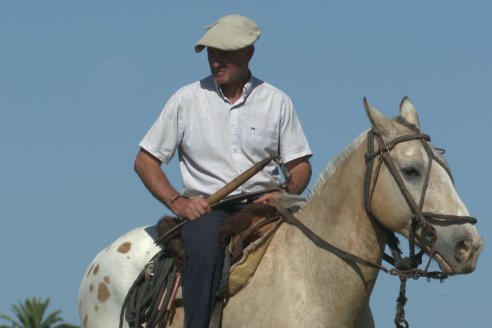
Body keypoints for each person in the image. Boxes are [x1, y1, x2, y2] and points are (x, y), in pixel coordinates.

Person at [134, 14, 312, 328]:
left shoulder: (277, 101)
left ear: (249, 53)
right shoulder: (186, 100)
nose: (216, 61)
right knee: (204, 250)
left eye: (224, 53)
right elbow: (145, 162)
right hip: (210, 210)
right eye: (212, 54)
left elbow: (299, 166)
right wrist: (180, 203)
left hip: (267, 206)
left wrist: (286, 191)